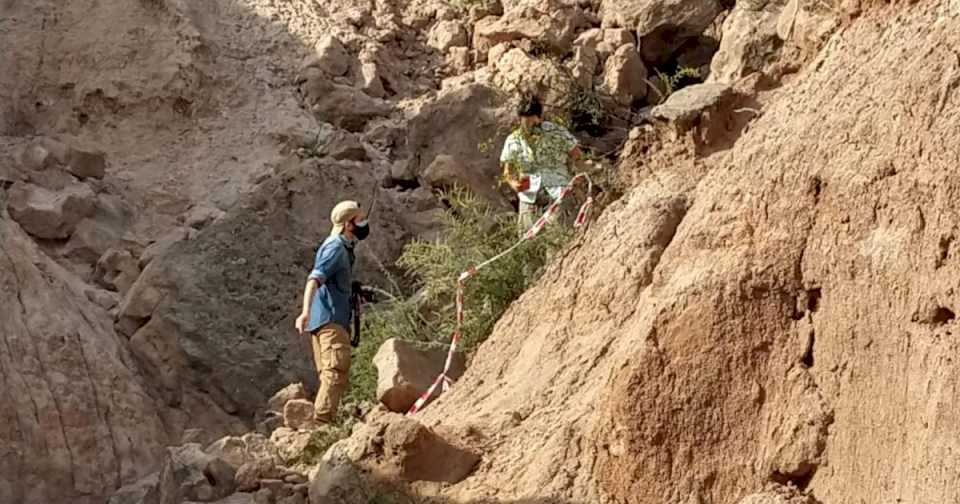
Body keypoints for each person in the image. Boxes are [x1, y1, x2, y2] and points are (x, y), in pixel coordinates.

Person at [294, 200, 370, 424]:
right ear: (348, 224)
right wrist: (304, 312)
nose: (363, 223)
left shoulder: (342, 247)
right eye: (359, 219)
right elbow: (313, 280)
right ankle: (322, 425)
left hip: (327, 320)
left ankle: (324, 423)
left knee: (329, 375)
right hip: (330, 321)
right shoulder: (335, 247)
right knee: (335, 372)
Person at [499, 94, 584, 234]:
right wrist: (514, 184)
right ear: (520, 120)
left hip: (558, 193)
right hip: (529, 197)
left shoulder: (556, 132)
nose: (530, 128)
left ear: (540, 118)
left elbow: (577, 155)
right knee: (529, 242)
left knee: (560, 237)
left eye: (533, 123)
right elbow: (508, 171)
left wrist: (578, 177)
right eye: (525, 124)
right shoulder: (512, 140)